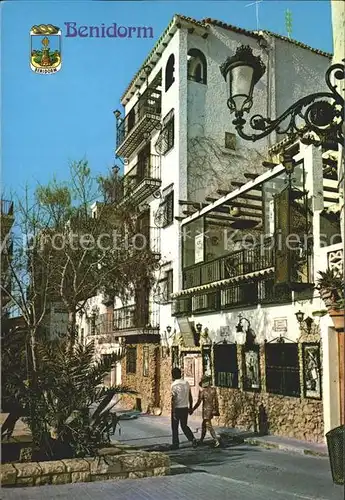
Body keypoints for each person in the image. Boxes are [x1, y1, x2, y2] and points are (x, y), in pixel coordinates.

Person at [171, 367, 197, 450]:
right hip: (185, 408)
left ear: (173, 375)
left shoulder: (174, 385)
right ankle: (192, 439)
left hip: (177, 408)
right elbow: (190, 396)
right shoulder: (186, 383)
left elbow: (173, 399)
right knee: (184, 426)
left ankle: (176, 444)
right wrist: (191, 407)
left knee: (175, 427)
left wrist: (173, 411)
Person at [190, 375, 220, 447]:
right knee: (203, 425)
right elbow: (216, 401)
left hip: (206, 411)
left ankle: (216, 440)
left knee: (208, 425)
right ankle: (201, 440)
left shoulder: (203, 392)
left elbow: (198, 402)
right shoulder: (214, 390)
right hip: (212, 409)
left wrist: (193, 409)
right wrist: (216, 409)